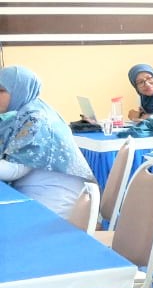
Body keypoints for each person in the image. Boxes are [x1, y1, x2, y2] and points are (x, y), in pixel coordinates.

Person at [0, 66, 96, 217]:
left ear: (19, 90)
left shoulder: (35, 118)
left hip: (56, 199)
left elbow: (15, 170)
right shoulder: (26, 111)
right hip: (38, 188)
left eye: (1, 91)